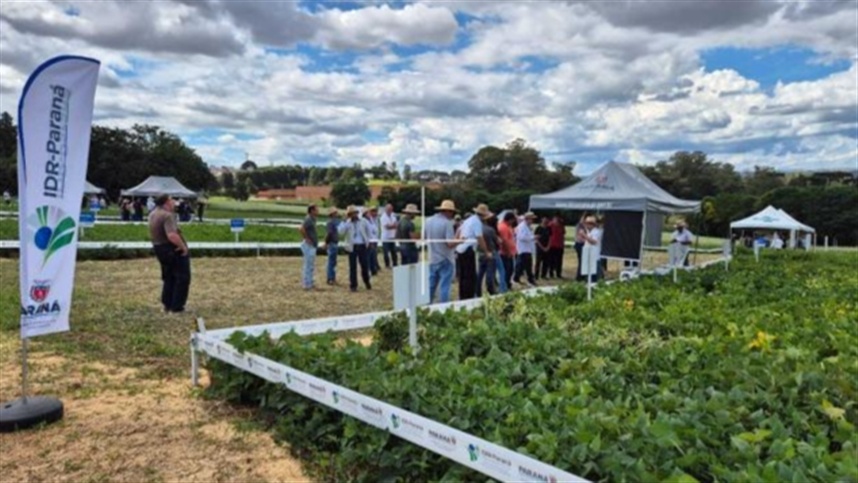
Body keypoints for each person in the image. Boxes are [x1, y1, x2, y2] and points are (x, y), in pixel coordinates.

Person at [148, 194, 191, 313]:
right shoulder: (167, 215)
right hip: (171, 249)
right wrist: (183, 247)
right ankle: (177, 306)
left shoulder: (153, 213)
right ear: (167, 202)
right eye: (172, 200)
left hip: (159, 248)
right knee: (182, 277)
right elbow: (172, 235)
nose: (174, 202)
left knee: (168, 277)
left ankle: (167, 304)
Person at [425, 200, 459, 304]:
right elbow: (449, 244)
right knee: (444, 286)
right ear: (448, 211)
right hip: (445, 258)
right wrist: (460, 240)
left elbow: (424, 237)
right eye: (452, 212)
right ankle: (444, 306)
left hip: (432, 258)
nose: (452, 215)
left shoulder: (428, 221)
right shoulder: (447, 223)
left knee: (431, 285)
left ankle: (427, 304)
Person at [456, 204, 490, 300]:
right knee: (470, 275)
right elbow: (480, 238)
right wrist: (486, 251)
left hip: (460, 248)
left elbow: (458, 231)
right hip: (468, 249)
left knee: (463, 275)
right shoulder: (477, 222)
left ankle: (462, 296)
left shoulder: (467, 220)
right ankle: (469, 296)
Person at [339, 205, 372, 292]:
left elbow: (369, 231)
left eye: (354, 213)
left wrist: (369, 241)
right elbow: (340, 232)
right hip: (352, 246)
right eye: (351, 214)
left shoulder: (363, 221)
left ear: (357, 213)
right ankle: (353, 285)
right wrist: (344, 221)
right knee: (352, 267)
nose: (353, 215)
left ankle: (367, 281)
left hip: (362, 246)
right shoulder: (347, 223)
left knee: (364, 265)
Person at [477, 213, 500, 297]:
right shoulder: (490, 230)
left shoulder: (478, 229)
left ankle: (478, 292)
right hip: (490, 252)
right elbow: (497, 241)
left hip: (480, 253)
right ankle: (491, 291)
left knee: (480, 274)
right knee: (490, 275)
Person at [514, 212, 538, 287]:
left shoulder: (527, 226)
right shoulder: (522, 227)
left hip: (527, 249)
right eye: (532, 219)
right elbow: (521, 237)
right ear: (528, 219)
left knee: (522, 265)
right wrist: (533, 238)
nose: (532, 221)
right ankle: (530, 279)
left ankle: (516, 277)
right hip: (523, 249)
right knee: (527, 265)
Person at [299, 204, 319, 290]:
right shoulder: (308, 219)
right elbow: (301, 228)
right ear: (312, 211)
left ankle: (310, 282)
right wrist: (306, 238)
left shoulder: (313, 219)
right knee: (308, 264)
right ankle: (306, 284)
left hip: (312, 245)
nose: (318, 211)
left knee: (310, 265)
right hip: (309, 245)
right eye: (316, 209)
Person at [498, 212, 517, 290]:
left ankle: (507, 284)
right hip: (505, 253)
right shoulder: (504, 227)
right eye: (513, 220)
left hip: (508, 252)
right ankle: (505, 285)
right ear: (510, 219)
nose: (513, 222)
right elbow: (504, 240)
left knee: (510, 269)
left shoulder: (507, 226)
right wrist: (509, 251)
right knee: (507, 270)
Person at [324, 208, 341, 285]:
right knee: (331, 262)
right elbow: (329, 234)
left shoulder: (332, 222)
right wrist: (326, 242)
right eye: (335, 213)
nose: (337, 214)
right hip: (332, 243)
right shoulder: (332, 222)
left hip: (333, 243)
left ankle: (331, 278)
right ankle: (331, 278)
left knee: (332, 262)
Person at [380, 204, 399, 269]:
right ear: (386, 209)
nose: (390, 210)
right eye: (389, 209)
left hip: (392, 236)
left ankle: (395, 264)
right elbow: (387, 227)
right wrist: (393, 226)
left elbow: (396, 224)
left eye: (391, 209)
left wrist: (393, 226)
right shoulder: (383, 217)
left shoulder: (393, 216)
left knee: (394, 251)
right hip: (385, 237)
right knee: (386, 252)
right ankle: (387, 265)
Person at [548, 214, 566, 278]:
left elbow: (563, 233)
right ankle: (551, 273)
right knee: (551, 260)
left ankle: (558, 273)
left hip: (560, 245)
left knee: (559, 260)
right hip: (552, 245)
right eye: (555, 219)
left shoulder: (561, 225)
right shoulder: (550, 225)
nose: (557, 221)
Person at [365, 206, 381, 276]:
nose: (375, 213)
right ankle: (372, 269)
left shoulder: (376, 219)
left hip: (375, 239)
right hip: (370, 240)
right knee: (370, 255)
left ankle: (374, 267)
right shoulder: (368, 220)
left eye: (376, 211)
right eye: (373, 211)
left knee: (374, 254)